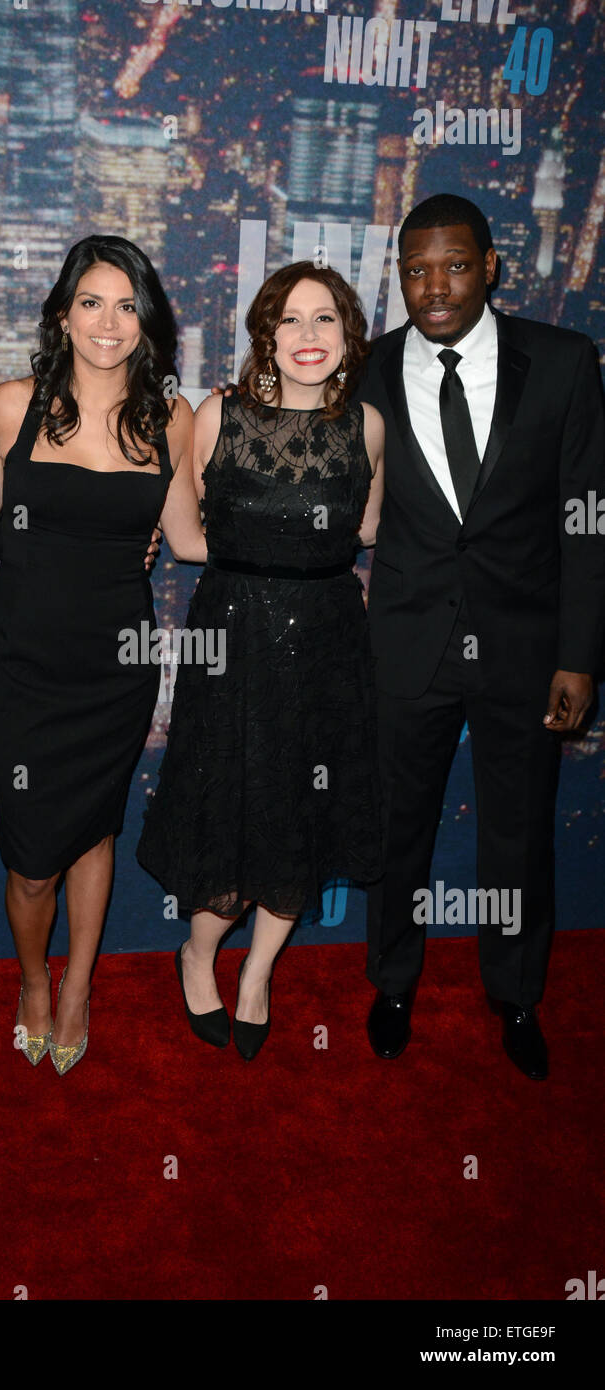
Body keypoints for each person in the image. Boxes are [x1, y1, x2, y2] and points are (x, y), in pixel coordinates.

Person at [360, 193, 605, 1079]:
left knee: (518, 832)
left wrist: (579, 654)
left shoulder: (566, 362)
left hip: (525, 648)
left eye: (455, 265)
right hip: (407, 645)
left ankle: (517, 991)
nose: (436, 286)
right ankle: (392, 982)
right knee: (396, 829)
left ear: (492, 266)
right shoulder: (370, 368)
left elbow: (587, 519)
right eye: (417, 269)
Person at [0, 234, 206, 1075]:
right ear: (63, 313)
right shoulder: (12, 406)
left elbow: (186, 538)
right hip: (21, 665)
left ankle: (77, 990)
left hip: (116, 670)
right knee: (32, 858)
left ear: (147, 319)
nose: (110, 322)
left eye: (128, 304)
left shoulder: (170, 419)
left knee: (95, 834)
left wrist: (316, 524)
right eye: (92, 302)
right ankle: (34, 980)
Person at [136, 263, 385, 1059]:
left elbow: (368, 533)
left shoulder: (369, 428)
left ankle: (259, 975)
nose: (307, 337)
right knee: (231, 810)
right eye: (290, 320)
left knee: (302, 815)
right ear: (265, 336)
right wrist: (260, 565)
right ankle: (199, 953)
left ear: (348, 338)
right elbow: (181, 539)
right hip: (233, 642)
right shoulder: (219, 415)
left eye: (325, 320)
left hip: (327, 647)